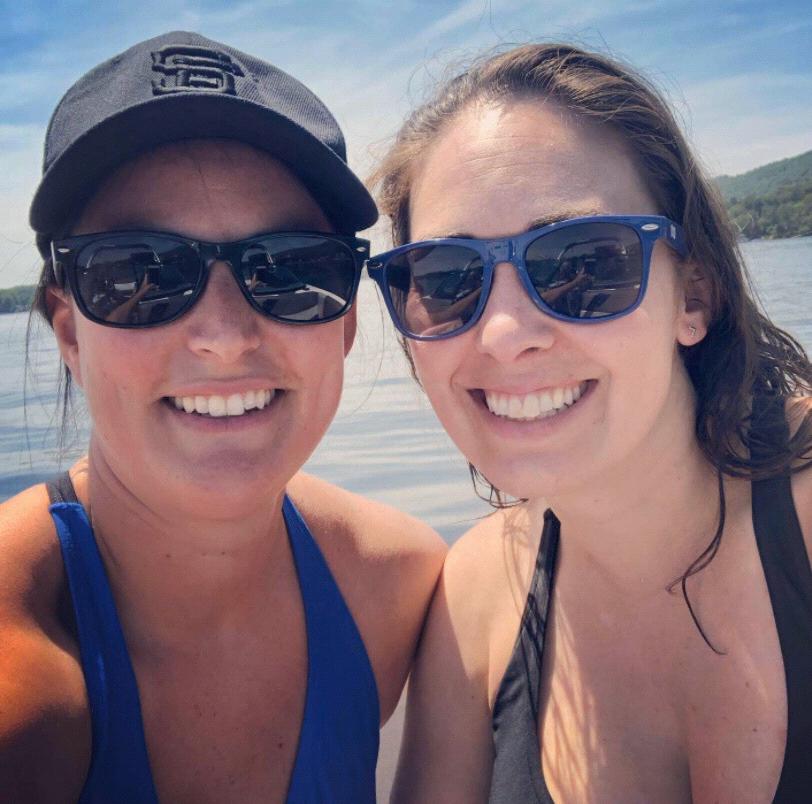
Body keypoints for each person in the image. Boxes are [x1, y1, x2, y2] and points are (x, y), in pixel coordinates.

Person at [0, 31, 445, 803]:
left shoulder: (398, 585)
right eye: (138, 272)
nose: (225, 334)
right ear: (69, 330)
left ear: (344, 323)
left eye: (291, 268)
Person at [368, 44, 812, 802]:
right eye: (447, 279)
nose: (504, 334)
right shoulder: (477, 598)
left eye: (582, 264)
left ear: (694, 295)